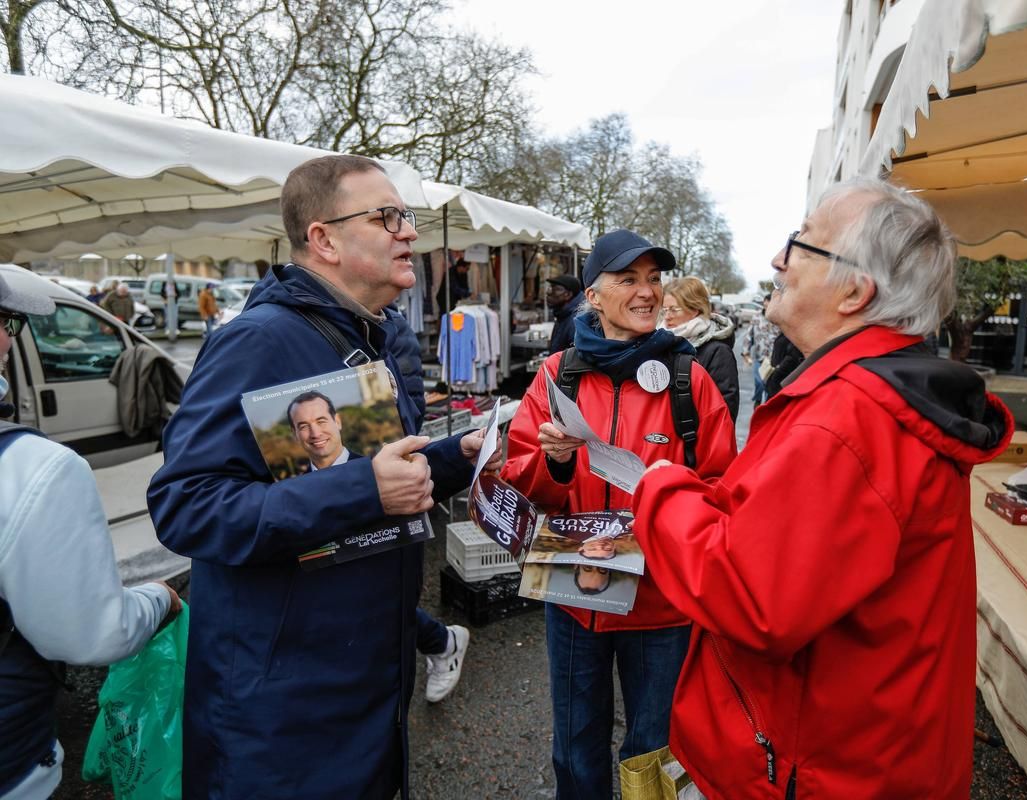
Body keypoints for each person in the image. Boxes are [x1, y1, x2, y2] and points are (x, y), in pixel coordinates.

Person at [631, 178, 1015, 799]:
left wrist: (661, 490)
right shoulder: (868, 400)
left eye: (800, 244)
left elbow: (751, 595)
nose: (778, 261)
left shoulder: (850, 417)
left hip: (822, 769)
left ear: (855, 291)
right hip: (870, 755)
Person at [147, 154, 499, 799]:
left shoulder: (378, 336)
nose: (410, 233)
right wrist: (364, 487)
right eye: (387, 216)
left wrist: (463, 456)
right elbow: (186, 505)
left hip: (364, 682)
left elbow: (384, 474)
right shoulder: (259, 340)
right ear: (324, 239)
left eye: (408, 217)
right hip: (280, 711)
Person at [501, 229, 737, 800]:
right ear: (593, 296)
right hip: (576, 596)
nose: (646, 292)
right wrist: (554, 464)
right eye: (627, 279)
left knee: (654, 748)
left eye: (654, 279)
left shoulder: (690, 379)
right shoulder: (556, 374)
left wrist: (667, 506)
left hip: (662, 605)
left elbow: (725, 490)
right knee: (575, 747)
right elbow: (520, 480)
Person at [0, 274, 181, 800]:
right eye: (10, 324)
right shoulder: (36, 469)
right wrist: (158, 599)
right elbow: (92, 636)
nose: (13, 339)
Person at [284, 389, 471, 702]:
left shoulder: (380, 465)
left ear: (338, 421)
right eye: (303, 426)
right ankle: (441, 642)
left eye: (321, 420)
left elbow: (409, 396)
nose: (315, 432)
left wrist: (453, 456)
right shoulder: (290, 485)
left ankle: (443, 644)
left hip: (383, 559)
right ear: (294, 433)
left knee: (382, 606)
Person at [662, 276, 739, 421]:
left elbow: (724, 413)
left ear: (695, 309)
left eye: (674, 310)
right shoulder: (659, 341)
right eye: (665, 309)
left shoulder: (718, 352)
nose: (667, 317)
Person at [741, 294, 779, 407]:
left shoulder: (779, 317)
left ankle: (766, 408)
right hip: (759, 358)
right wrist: (746, 352)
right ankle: (757, 401)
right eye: (767, 301)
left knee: (769, 387)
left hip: (773, 360)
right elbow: (749, 335)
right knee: (759, 383)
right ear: (764, 302)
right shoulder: (756, 317)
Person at [545, 274, 584, 353]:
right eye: (550, 288)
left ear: (568, 295)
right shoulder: (562, 314)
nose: (549, 293)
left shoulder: (576, 320)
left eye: (555, 289)